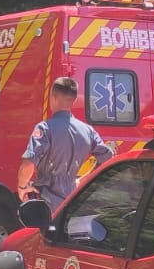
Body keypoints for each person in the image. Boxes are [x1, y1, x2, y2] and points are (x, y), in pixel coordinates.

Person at [17, 77, 115, 210]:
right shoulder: (88, 130)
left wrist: (22, 187)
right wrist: (83, 179)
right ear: (74, 100)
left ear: (54, 97)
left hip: (47, 203)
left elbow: (28, 164)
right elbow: (108, 159)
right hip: (74, 202)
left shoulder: (44, 128)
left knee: (43, 231)